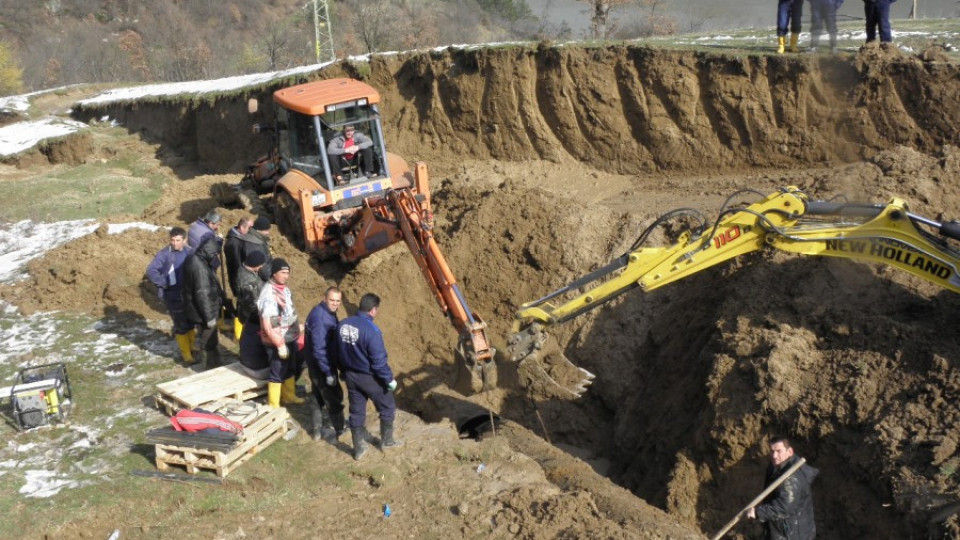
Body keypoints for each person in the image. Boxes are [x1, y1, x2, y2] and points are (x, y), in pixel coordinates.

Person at [336, 293, 400, 460]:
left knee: (356, 411)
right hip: (370, 378)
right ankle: (387, 441)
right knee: (387, 407)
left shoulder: (343, 324)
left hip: (350, 376)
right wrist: (389, 380)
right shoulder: (372, 330)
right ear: (373, 310)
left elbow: (336, 351)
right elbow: (379, 363)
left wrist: (342, 371)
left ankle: (358, 449)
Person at [747, 436, 819, 540]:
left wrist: (758, 512)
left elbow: (784, 506)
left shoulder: (792, 478)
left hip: (792, 534)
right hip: (782, 529)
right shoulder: (775, 466)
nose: (775, 455)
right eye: (772, 451)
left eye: (779, 451)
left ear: (789, 451)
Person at [257, 258, 305, 408]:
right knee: (277, 371)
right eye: (283, 273)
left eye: (288, 273)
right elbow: (268, 324)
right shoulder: (269, 294)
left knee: (290, 367)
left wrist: (297, 327)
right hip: (276, 341)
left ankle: (289, 396)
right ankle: (274, 405)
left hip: (289, 335)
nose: (286, 276)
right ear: (274, 273)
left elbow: (287, 312)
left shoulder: (284, 289)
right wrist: (279, 344)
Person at [145, 227, 195, 364]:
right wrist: (163, 283)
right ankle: (186, 354)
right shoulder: (164, 254)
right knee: (181, 324)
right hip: (173, 295)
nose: (174, 243)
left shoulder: (190, 252)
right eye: (172, 240)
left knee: (191, 321)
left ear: (184, 240)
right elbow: (151, 270)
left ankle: (192, 346)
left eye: (178, 240)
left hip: (188, 293)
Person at [304, 286, 347, 443]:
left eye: (337, 301)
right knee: (333, 397)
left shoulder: (326, 312)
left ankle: (317, 429)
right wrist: (328, 373)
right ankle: (339, 429)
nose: (335, 304)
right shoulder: (321, 319)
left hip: (317, 363)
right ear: (324, 298)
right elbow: (319, 350)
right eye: (332, 300)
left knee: (317, 395)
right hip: (321, 365)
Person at [181, 235, 226, 369]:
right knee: (208, 340)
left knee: (207, 337)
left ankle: (215, 362)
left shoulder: (194, 257)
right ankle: (211, 367)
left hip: (196, 308)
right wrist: (209, 317)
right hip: (204, 311)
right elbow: (203, 294)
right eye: (215, 254)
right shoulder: (200, 267)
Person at [236, 250, 269, 379]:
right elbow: (251, 302)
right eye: (260, 265)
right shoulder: (246, 279)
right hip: (252, 315)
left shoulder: (250, 272)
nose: (261, 268)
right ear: (255, 265)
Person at [240, 216, 273, 281]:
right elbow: (259, 266)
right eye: (266, 230)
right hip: (257, 280)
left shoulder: (260, 239)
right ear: (258, 230)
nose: (268, 233)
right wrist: (271, 278)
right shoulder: (253, 243)